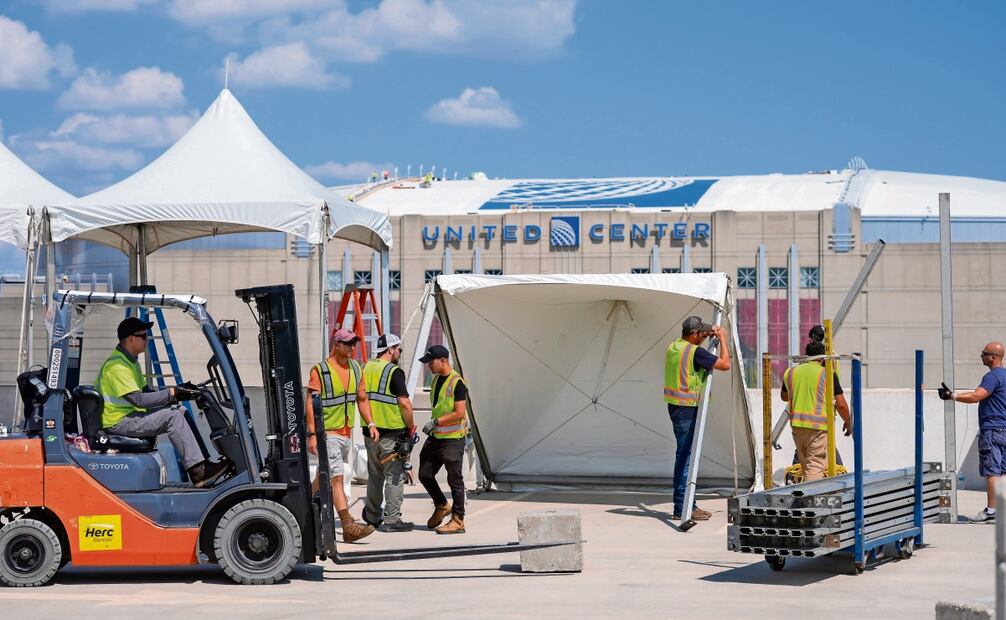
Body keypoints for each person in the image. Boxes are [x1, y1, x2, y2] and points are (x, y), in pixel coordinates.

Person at [97, 317, 229, 488]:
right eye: (143, 337)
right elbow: (139, 400)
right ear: (131, 339)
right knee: (172, 417)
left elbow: (146, 393)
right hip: (118, 421)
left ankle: (204, 465)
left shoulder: (130, 362)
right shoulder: (117, 366)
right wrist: (171, 393)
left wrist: (177, 393)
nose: (147, 340)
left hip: (129, 416)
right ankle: (198, 473)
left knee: (179, 410)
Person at [306, 328, 376, 542]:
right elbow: (310, 402)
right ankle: (348, 525)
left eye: (354, 344)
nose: (352, 348)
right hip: (327, 432)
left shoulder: (356, 369)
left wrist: (371, 423)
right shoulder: (321, 370)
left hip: (345, 433)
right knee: (337, 477)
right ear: (336, 345)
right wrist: (312, 434)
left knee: (324, 476)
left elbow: (362, 399)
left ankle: (302, 508)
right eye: (347, 344)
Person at [665, 316, 731, 520]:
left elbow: (690, 358)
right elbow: (725, 364)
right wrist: (723, 340)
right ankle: (683, 508)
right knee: (685, 459)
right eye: (701, 334)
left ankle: (684, 505)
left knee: (682, 457)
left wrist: (710, 332)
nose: (703, 336)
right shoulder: (695, 352)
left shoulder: (675, 346)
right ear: (693, 335)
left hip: (676, 406)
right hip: (686, 408)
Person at [939, 341, 1006, 522]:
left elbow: (977, 396)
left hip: (993, 430)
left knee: (992, 470)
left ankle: (992, 511)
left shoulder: (992, 377)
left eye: (984, 353)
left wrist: (952, 396)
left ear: (993, 357)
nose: (981, 356)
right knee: (1003, 471)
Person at [361, 333, 416, 532]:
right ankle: (392, 520)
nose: (399, 353)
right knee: (394, 476)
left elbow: (362, 399)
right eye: (399, 349)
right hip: (392, 434)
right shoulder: (394, 372)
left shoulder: (365, 368)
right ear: (391, 349)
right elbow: (404, 404)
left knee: (375, 476)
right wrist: (411, 427)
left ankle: (372, 516)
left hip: (370, 432)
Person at [780, 340, 852, 482]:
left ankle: (804, 496)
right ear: (822, 357)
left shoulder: (791, 372)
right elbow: (841, 404)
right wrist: (849, 423)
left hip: (797, 426)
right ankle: (810, 500)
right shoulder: (827, 374)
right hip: (818, 428)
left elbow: (784, 396)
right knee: (815, 466)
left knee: (806, 466)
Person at [418, 344, 469, 534]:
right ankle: (441, 504)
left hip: (452, 438)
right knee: (424, 473)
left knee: (454, 479)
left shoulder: (457, 383)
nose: (428, 366)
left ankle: (458, 519)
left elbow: (459, 413)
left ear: (443, 361)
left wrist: (436, 421)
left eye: (431, 362)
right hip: (436, 436)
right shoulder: (435, 380)